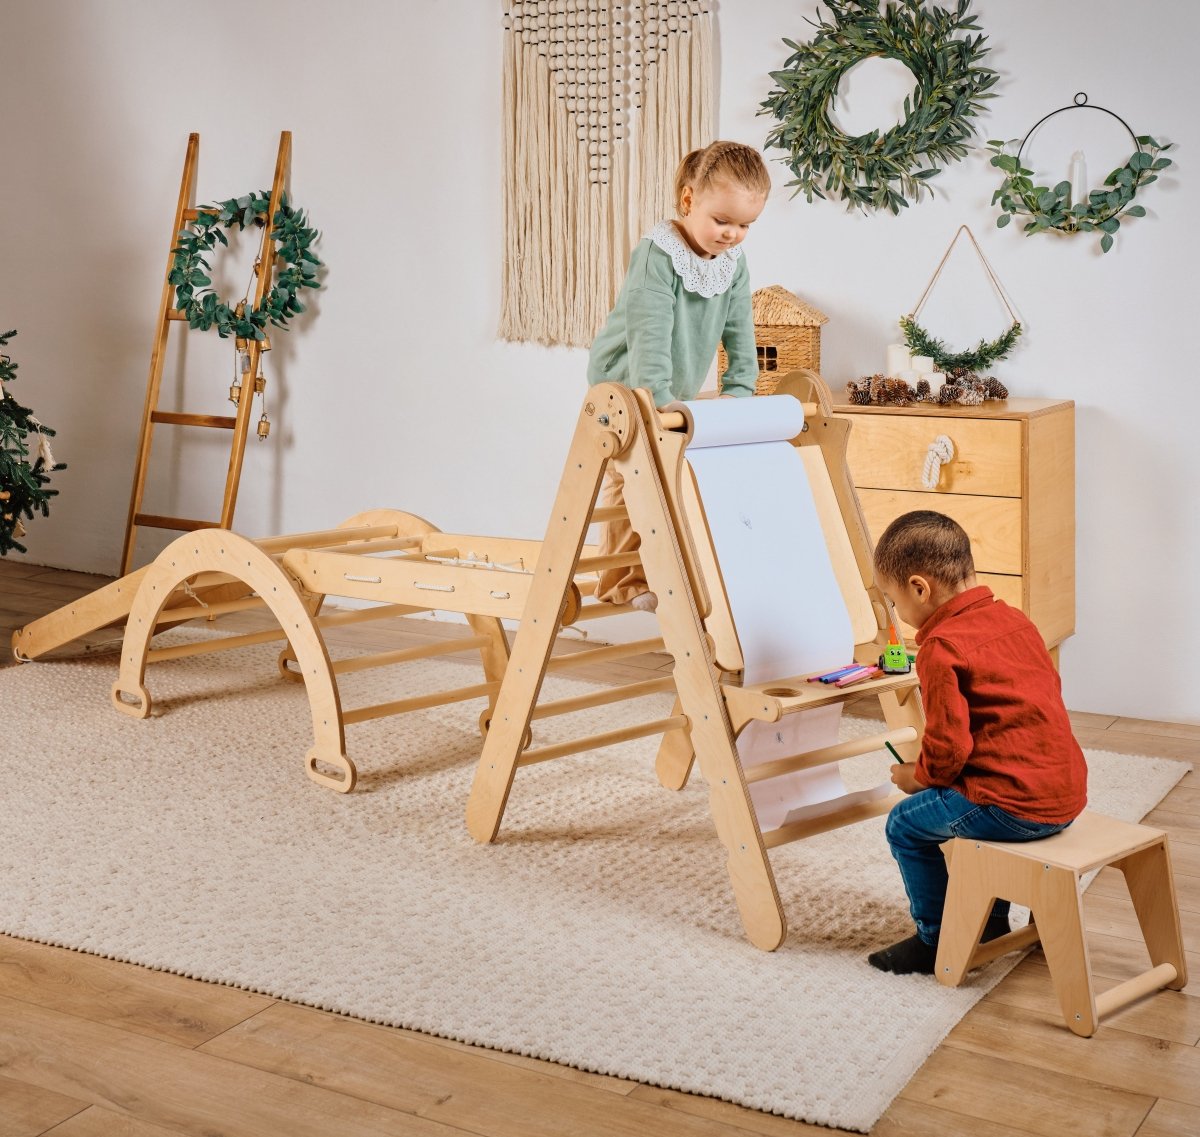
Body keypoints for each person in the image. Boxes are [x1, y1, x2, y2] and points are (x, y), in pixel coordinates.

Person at [867, 510, 1088, 975]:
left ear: (919, 587)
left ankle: (936, 938)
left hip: (1013, 807)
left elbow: (948, 751)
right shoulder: (1015, 620)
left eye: (893, 599)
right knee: (967, 803)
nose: (898, 613)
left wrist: (916, 777)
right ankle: (989, 924)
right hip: (1066, 793)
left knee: (905, 825)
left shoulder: (939, 646)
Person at [587, 140, 770, 609]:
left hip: (672, 385)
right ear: (689, 201)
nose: (732, 234)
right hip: (626, 383)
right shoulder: (658, 254)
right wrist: (655, 396)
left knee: (664, 481)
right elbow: (650, 333)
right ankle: (621, 584)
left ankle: (663, 576)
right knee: (631, 479)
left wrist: (740, 389)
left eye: (745, 225)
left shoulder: (733, 262)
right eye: (722, 221)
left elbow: (738, 326)